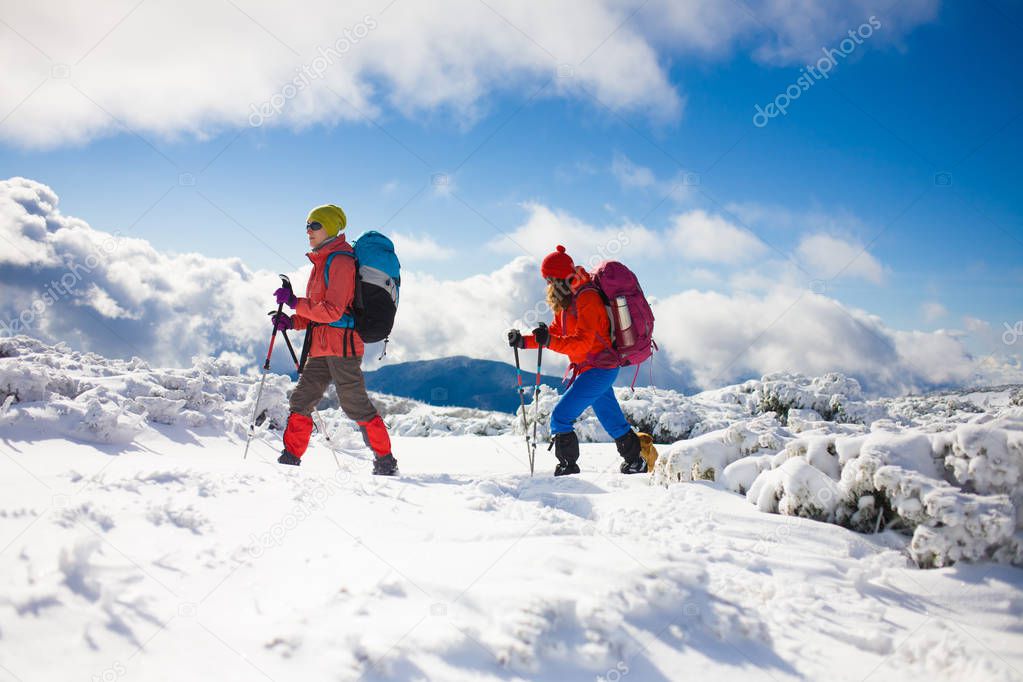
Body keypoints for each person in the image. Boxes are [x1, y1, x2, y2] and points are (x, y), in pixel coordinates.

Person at [271, 204, 398, 475]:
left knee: (354, 405)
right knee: (301, 400)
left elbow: (333, 311)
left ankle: (385, 460)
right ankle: (290, 460)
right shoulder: (320, 262)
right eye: (307, 225)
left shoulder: (340, 261)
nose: (308, 230)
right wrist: (291, 321)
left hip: (343, 348)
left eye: (315, 225)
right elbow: (317, 312)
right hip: (320, 347)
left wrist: (295, 302)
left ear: (329, 227)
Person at [508, 245, 645, 476]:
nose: (548, 285)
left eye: (550, 279)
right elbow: (554, 332)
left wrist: (549, 340)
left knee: (560, 416)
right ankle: (636, 462)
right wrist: (524, 341)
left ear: (561, 277)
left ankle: (568, 468)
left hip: (600, 368)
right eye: (547, 280)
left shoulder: (587, 297)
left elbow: (583, 343)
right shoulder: (566, 301)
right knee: (612, 419)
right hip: (590, 368)